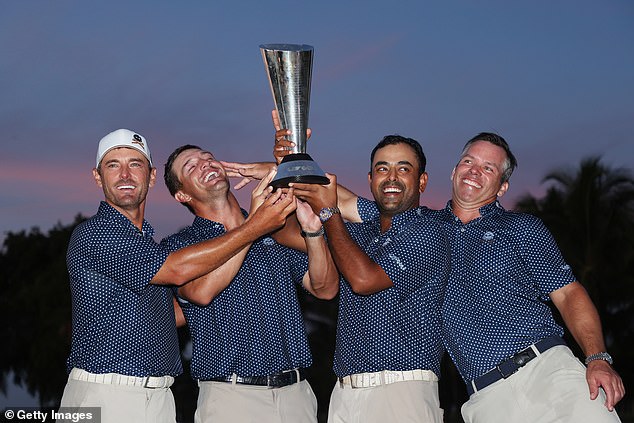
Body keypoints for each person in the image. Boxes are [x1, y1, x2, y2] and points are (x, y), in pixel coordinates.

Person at [348, 132, 625, 422]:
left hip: (548, 372)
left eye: (488, 168)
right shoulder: (423, 230)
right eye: (468, 161)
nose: (474, 171)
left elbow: (568, 294)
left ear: (502, 187)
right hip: (486, 398)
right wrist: (297, 157)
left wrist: (597, 358)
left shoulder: (521, 228)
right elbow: (345, 201)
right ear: (455, 171)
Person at [61, 129, 296, 423]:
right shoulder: (96, 233)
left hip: (159, 397)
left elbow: (180, 308)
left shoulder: (146, 244)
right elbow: (176, 269)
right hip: (103, 394)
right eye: (113, 165)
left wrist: (288, 170)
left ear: (151, 176)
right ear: (98, 177)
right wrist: (254, 227)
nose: (125, 175)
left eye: (135, 164)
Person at [274, 135, 451, 423]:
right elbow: (285, 231)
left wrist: (329, 213)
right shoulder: (360, 234)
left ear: (422, 181)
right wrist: (288, 167)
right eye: (382, 169)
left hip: (401, 390)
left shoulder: (428, 233)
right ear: (370, 179)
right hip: (345, 394)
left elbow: (363, 281)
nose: (391, 177)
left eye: (403, 169)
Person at [160, 144, 339, 423]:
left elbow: (325, 288)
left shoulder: (274, 227)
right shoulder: (181, 245)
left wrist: (313, 233)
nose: (205, 164)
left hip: (296, 395)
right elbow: (200, 292)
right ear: (182, 194)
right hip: (232, 397)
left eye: (209, 157)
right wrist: (254, 225)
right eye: (191, 166)